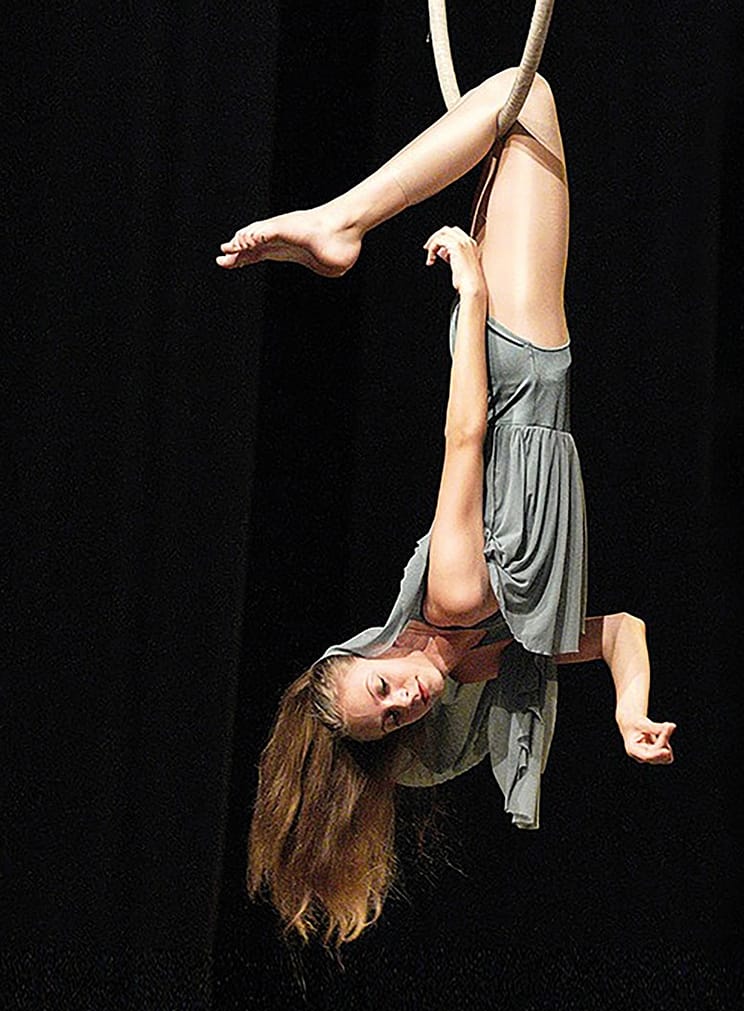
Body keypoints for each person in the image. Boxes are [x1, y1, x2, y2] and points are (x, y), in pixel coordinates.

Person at [218, 70, 676, 947]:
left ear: (369, 649)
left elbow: (463, 440)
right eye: (396, 716)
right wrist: (628, 712)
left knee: (525, 99)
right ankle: (340, 222)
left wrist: (472, 301)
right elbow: (622, 630)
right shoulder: (494, 660)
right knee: (503, 117)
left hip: (514, 359)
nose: (409, 697)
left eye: (382, 686)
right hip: (521, 366)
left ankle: (339, 222)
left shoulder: (456, 598)